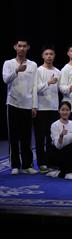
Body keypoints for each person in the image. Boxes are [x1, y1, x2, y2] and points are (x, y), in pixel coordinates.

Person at [3, 38, 38, 175]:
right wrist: (17, 70)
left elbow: (34, 86)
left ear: (28, 47)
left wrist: (34, 105)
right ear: (15, 47)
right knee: (13, 136)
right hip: (12, 103)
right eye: (19, 46)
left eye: (24, 46)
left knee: (26, 137)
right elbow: (6, 80)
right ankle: (15, 165)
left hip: (27, 104)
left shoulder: (33, 65)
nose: (22, 48)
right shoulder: (8, 63)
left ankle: (27, 165)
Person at [34, 45, 61, 173]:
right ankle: (41, 163)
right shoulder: (38, 71)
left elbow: (60, 89)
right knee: (40, 137)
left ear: (54, 56)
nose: (49, 56)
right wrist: (48, 83)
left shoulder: (58, 71)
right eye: (46, 54)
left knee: (52, 137)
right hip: (41, 108)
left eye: (51, 54)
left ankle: (51, 161)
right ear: (42, 56)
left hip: (54, 108)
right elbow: (36, 89)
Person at [46, 101, 72, 180]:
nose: (65, 112)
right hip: (58, 153)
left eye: (67, 110)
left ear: (70, 111)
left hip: (70, 153)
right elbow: (58, 147)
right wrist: (61, 136)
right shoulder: (54, 125)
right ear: (59, 111)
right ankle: (68, 172)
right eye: (63, 110)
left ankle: (61, 173)